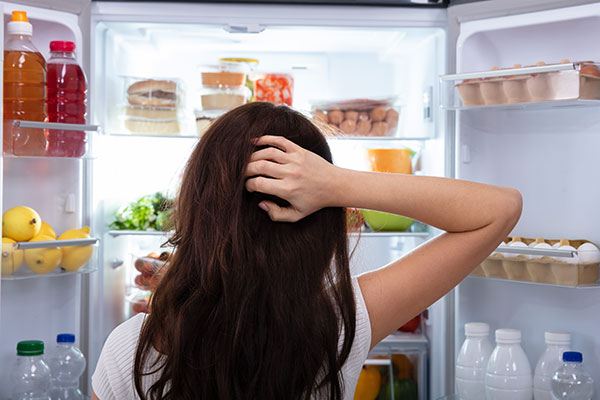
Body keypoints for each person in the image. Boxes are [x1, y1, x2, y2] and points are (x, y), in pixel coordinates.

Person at [91, 102, 521, 400]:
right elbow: (499, 210)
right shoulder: (339, 324)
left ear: (197, 206)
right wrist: (337, 184)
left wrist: (196, 292)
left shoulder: (128, 348)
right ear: (323, 220)